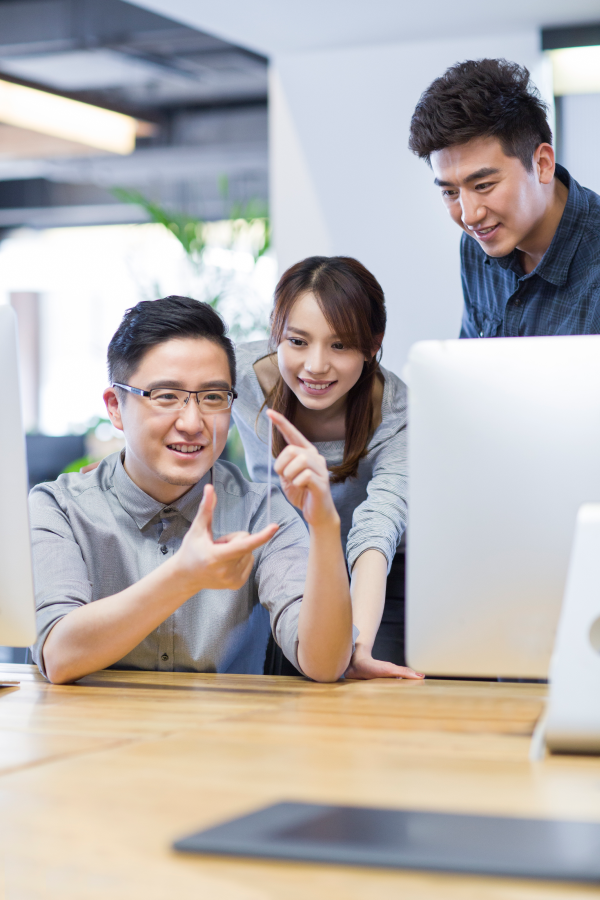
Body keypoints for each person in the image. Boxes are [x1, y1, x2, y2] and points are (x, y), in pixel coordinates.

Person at [30, 296, 353, 684]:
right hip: (92, 737)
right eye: (166, 396)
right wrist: (183, 576)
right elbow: (59, 654)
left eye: (213, 397)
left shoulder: (262, 511)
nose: (192, 422)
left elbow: (324, 663)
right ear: (115, 407)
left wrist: (324, 526)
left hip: (228, 735)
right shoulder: (59, 508)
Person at [232, 256, 424, 681]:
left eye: (339, 345)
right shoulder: (237, 376)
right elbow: (169, 392)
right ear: (276, 334)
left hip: (379, 575)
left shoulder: (399, 413)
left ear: (372, 345)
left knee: (358, 689)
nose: (316, 366)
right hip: (282, 563)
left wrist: (357, 646)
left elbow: (378, 527)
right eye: (297, 342)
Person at [408, 58, 600, 337]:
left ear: (542, 164)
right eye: (450, 192)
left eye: (484, 185)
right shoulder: (479, 242)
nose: (469, 216)